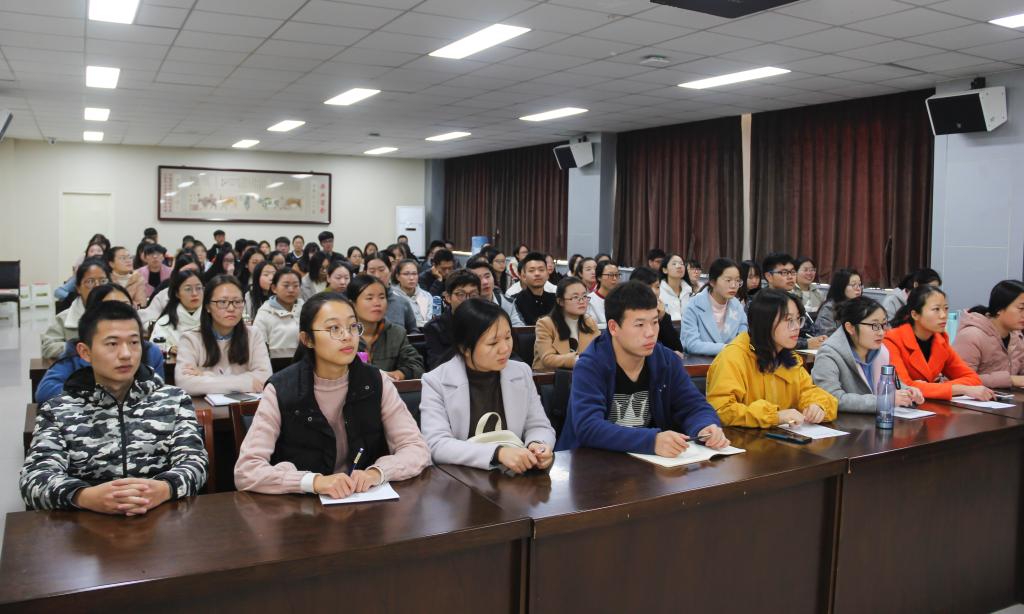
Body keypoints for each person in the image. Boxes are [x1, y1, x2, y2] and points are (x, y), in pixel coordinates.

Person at [234, 293, 430, 498]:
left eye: (352, 326)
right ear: (307, 339)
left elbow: (416, 448)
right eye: (334, 328)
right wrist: (314, 482)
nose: (347, 336)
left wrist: (377, 473)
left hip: (365, 502)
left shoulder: (376, 381)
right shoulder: (282, 388)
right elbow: (247, 470)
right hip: (302, 507)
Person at [21, 301, 207, 512]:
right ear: (85, 352)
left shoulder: (173, 400)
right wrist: (85, 496)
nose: (126, 354)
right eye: (112, 344)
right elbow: (34, 478)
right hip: (86, 523)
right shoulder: (58, 410)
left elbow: (195, 462)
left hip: (161, 518)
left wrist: (165, 488)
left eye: (134, 342)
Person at [556, 281, 729, 454]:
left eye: (654, 322)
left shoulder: (666, 360)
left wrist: (705, 426)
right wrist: (651, 441)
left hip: (646, 462)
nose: (650, 333)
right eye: (639, 325)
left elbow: (694, 406)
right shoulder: (590, 365)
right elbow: (588, 427)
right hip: (590, 460)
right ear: (613, 327)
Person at [420, 299, 556, 472]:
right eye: (493, 343)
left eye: (508, 337)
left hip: (513, 476)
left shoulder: (521, 372)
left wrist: (537, 445)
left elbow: (539, 426)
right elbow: (436, 444)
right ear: (464, 348)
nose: (505, 348)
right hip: (460, 478)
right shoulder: (436, 381)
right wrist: (497, 453)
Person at [706, 289, 838, 428]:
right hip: (742, 438)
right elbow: (722, 410)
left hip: (784, 437)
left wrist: (818, 406)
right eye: (789, 320)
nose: (796, 327)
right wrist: (776, 416)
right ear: (765, 322)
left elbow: (809, 391)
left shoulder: (790, 357)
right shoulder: (733, 358)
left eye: (798, 319)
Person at [36, 284, 166, 403]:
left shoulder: (150, 351)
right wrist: (96, 398)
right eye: (109, 308)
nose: (125, 354)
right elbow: (45, 392)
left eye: (125, 306)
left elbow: (156, 397)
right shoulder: (77, 350)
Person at [812, 297, 925, 413]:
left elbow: (891, 383)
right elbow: (831, 398)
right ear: (850, 328)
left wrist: (908, 392)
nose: (881, 332)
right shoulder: (828, 354)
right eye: (874, 325)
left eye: (883, 325)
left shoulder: (881, 351)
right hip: (844, 422)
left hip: (875, 419)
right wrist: (884, 401)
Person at [884, 285, 991, 401]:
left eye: (946, 308)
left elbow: (973, 379)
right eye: (936, 309)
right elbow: (905, 387)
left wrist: (930, 387)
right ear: (915, 315)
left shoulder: (940, 340)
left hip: (928, 405)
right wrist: (961, 389)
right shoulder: (892, 340)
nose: (943, 315)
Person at [174, 275, 272, 395]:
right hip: (205, 406)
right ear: (207, 307)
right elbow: (185, 384)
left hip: (249, 406)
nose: (231, 308)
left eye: (237, 302)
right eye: (222, 302)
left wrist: (205, 375)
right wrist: (247, 382)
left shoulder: (253, 335)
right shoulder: (190, 339)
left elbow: (265, 379)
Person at [347, 274, 424, 381]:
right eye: (369, 298)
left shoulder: (396, 333)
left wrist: (397, 375)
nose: (377, 303)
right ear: (352, 304)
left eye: (382, 297)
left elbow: (416, 365)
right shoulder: (343, 335)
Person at [953, 280, 1024, 389]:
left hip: (1006, 398)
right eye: (1021, 309)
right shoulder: (972, 335)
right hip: (974, 399)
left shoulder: (1017, 337)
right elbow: (959, 380)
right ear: (1000, 308)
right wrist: (1010, 380)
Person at [41, 257, 110, 358]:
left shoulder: (119, 314)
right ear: (78, 288)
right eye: (90, 282)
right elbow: (48, 347)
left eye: (103, 281)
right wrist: (79, 348)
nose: (97, 286)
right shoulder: (64, 318)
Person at [680, 258, 748, 356]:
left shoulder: (737, 306)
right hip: (701, 363)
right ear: (712, 282)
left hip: (731, 362)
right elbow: (691, 344)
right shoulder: (693, 305)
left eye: (737, 280)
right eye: (728, 280)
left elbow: (743, 339)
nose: (734, 285)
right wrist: (728, 348)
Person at [762, 252, 826, 350]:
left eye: (792, 272)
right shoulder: (760, 302)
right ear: (769, 276)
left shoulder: (793, 300)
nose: (790, 277)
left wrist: (820, 339)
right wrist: (806, 343)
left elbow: (811, 329)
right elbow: (767, 338)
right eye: (784, 273)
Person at [533, 276, 599, 370]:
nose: (582, 301)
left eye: (584, 296)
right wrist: (578, 359)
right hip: (551, 375)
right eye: (575, 297)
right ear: (560, 301)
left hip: (583, 373)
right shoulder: (545, 324)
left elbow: (600, 349)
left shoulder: (589, 321)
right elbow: (547, 359)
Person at [423, 271, 481, 370]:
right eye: (461, 294)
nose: (467, 300)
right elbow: (436, 366)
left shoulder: (487, 321)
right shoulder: (434, 327)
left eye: (473, 294)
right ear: (448, 297)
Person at [629, 266, 685, 354]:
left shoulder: (661, 314)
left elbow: (678, 349)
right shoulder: (628, 314)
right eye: (648, 287)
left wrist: (662, 318)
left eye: (657, 287)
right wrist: (667, 354)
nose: (654, 292)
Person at [253, 268, 304, 359]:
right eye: (286, 285)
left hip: (303, 361)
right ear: (274, 288)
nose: (291, 290)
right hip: (273, 363)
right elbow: (257, 344)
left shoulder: (304, 307)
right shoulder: (264, 313)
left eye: (296, 285)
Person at [150, 270, 204, 355]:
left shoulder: (214, 317)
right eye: (188, 289)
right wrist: (169, 349)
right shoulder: (165, 323)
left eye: (198, 288)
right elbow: (154, 348)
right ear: (177, 293)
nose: (194, 293)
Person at [139, 253, 201, 325]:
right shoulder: (164, 294)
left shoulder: (207, 293)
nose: (192, 276)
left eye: (195, 272)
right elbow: (147, 319)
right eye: (187, 272)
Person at [365, 254, 418, 333]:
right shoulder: (358, 303)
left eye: (381, 270)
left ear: (390, 271)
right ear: (365, 273)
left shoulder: (402, 303)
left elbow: (414, 332)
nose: (377, 275)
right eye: (372, 271)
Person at [466, 256, 524, 327]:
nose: (485, 282)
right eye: (478, 278)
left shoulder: (508, 303)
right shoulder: (466, 304)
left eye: (487, 276)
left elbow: (519, 329)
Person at [812, 268, 863, 337]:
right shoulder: (829, 309)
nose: (858, 289)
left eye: (859, 285)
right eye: (853, 285)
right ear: (841, 286)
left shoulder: (860, 306)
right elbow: (828, 337)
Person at [512, 252, 555, 326]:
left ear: (547, 275)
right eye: (531, 270)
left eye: (541, 270)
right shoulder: (515, 301)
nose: (537, 273)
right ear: (524, 276)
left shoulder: (555, 299)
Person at [394, 258, 433, 327]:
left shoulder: (427, 295)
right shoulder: (392, 296)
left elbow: (429, 321)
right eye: (406, 274)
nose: (411, 278)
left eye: (414, 274)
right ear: (397, 277)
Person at [586, 260, 620, 329]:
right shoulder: (589, 300)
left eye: (617, 275)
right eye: (610, 275)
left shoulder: (622, 299)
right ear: (599, 277)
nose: (614, 278)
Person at [659, 253, 690, 321]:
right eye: (674, 264)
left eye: (681, 264)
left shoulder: (689, 291)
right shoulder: (658, 291)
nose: (679, 266)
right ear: (665, 270)